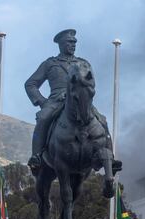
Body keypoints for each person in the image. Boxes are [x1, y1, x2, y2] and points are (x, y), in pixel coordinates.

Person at [25, 29, 112, 174]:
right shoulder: (50, 64)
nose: (73, 45)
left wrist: (85, 94)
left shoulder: (83, 64)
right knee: (43, 118)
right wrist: (42, 102)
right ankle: (36, 157)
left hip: (80, 101)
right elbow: (30, 84)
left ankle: (110, 158)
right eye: (69, 42)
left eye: (74, 42)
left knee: (102, 120)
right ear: (60, 44)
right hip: (56, 101)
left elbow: (91, 83)